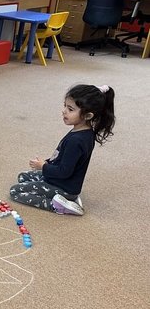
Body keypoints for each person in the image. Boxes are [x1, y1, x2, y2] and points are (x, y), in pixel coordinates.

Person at [9, 84, 116, 216]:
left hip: (63, 187)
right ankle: (62, 198)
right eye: (65, 106)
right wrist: (47, 163)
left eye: (70, 109)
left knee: (15, 191)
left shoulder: (76, 141)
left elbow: (64, 172)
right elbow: (62, 158)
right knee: (22, 177)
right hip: (59, 180)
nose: (64, 111)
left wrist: (43, 166)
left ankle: (57, 206)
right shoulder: (82, 131)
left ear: (88, 116)